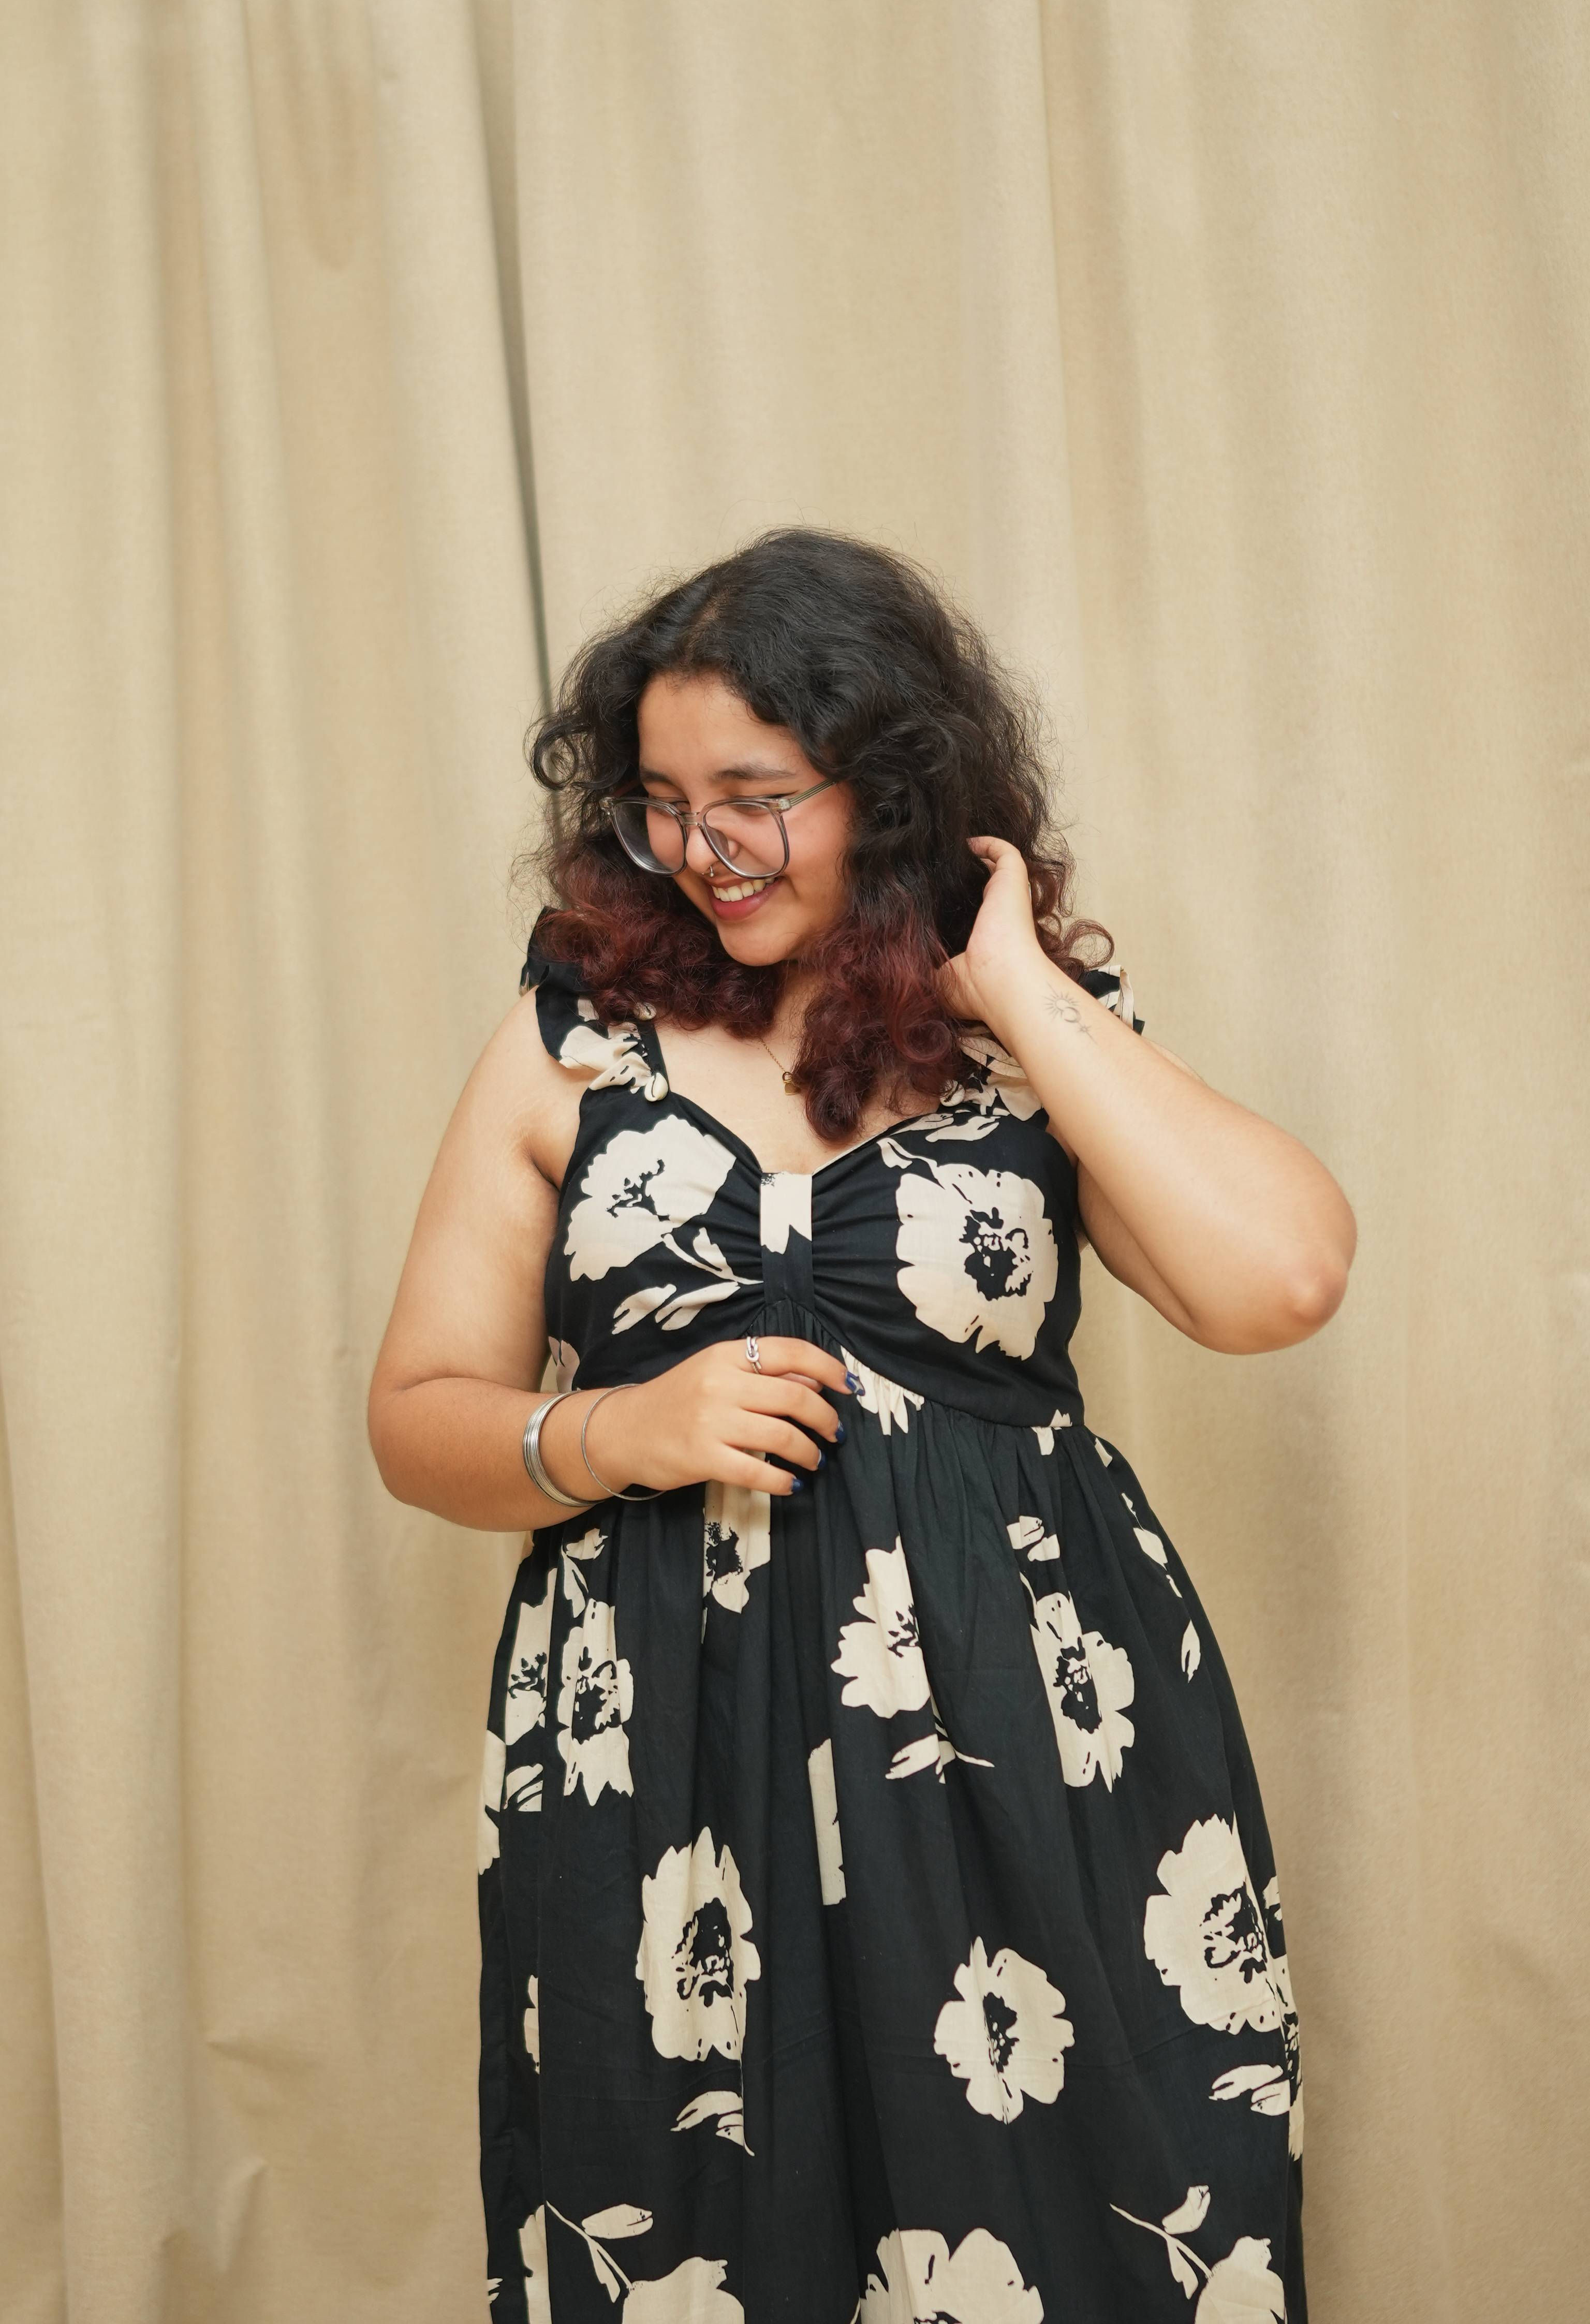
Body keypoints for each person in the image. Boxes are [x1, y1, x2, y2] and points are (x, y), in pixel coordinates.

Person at [367, 528, 1354, 2324]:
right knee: (694, 2227)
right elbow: (417, 1416)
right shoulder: (574, 1034)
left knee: (1070, 2219)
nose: (702, 845)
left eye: (757, 793)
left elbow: (1278, 1280)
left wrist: (1019, 989)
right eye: (663, 799)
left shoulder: (1026, 1048)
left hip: (1021, 1743)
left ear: (889, 787)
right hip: (661, 1758)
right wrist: (617, 1434)